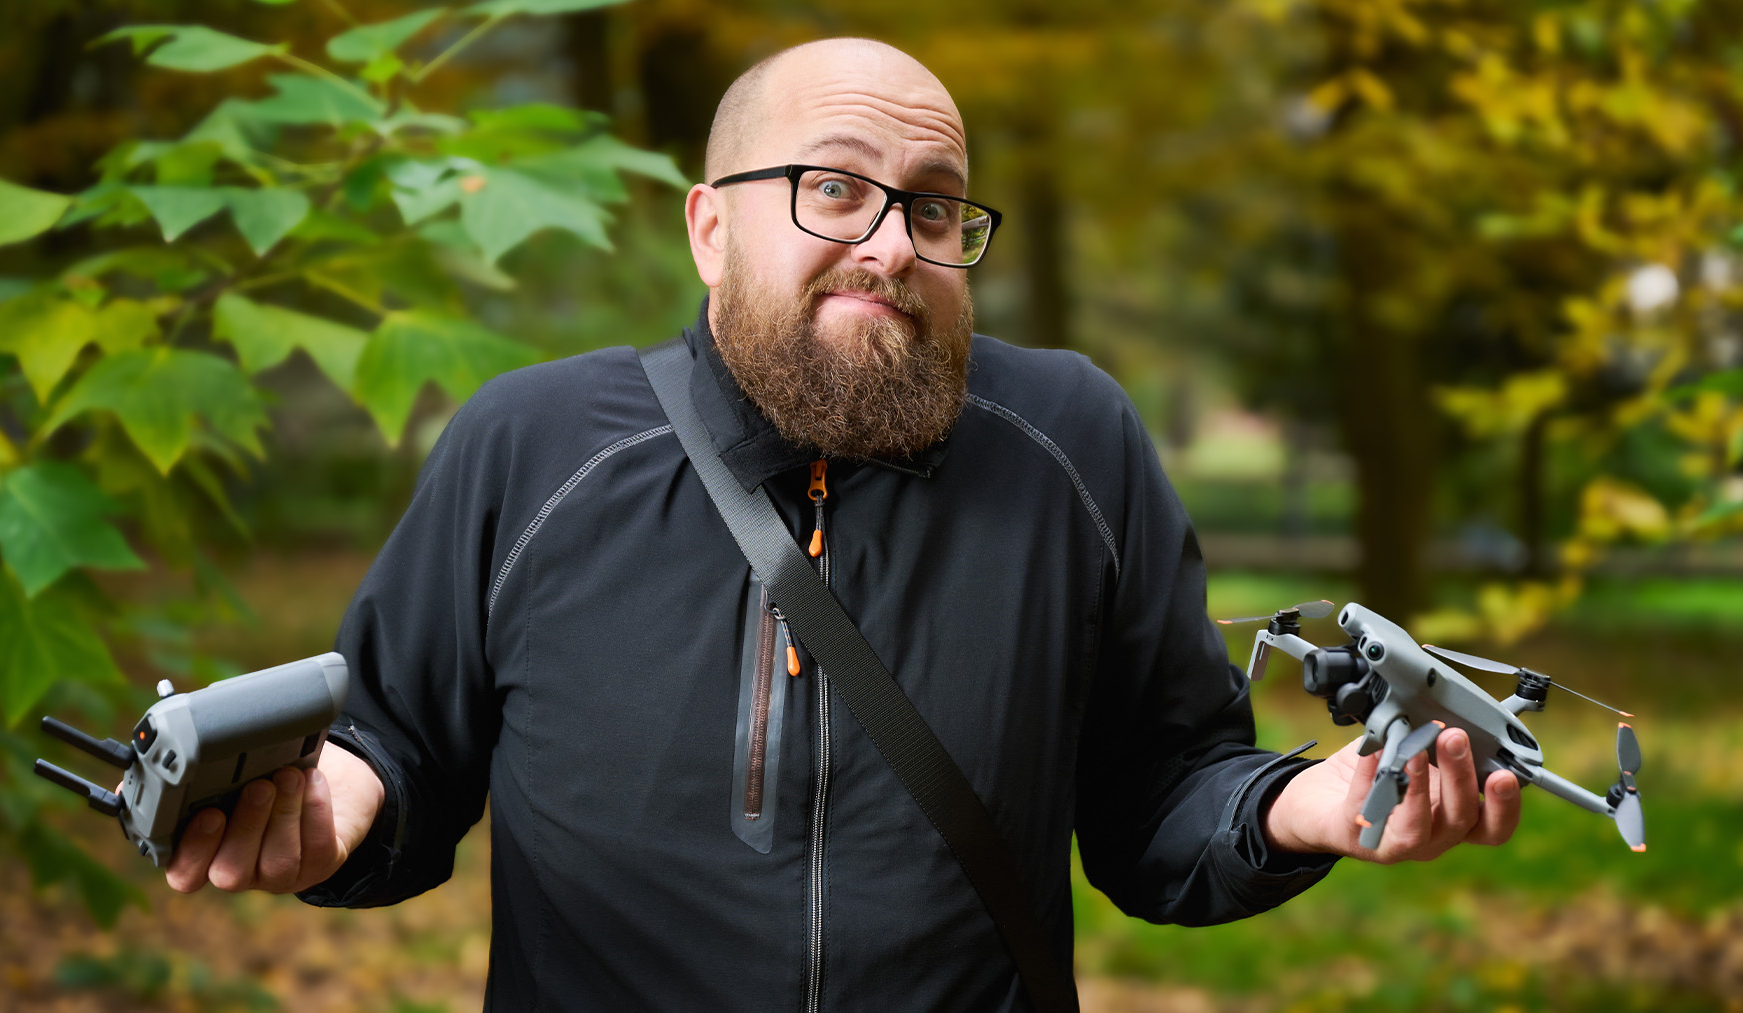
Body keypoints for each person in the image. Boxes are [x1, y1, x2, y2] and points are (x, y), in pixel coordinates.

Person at [158, 37, 1522, 1010]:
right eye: (833, 188)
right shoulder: (531, 448)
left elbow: (1162, 789)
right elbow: (396, 742)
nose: (888, 243)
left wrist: (1308, 803)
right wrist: (333, 808)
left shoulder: (1074, 444)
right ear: (708, 229)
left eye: (932, 204)